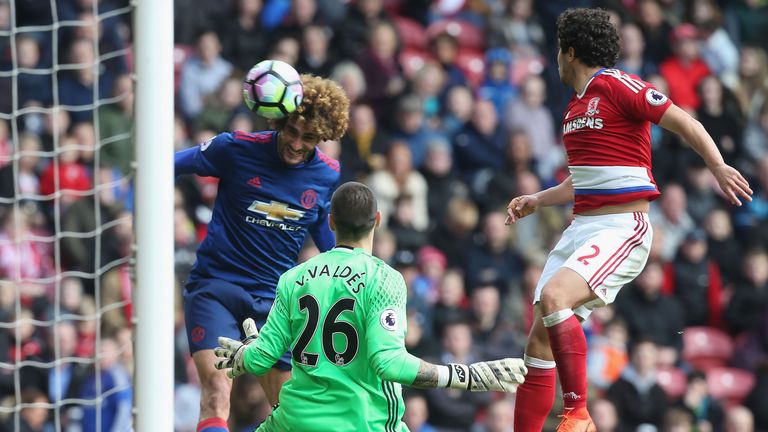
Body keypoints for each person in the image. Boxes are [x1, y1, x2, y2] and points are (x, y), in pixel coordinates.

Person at [504, 8, 753, 432]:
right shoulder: (574, 108)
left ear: (569, 52)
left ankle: (578, 414)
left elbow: (682, 120)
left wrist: (716, 165)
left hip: (622, 226)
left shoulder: (617, 83)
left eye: (559, 51)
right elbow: (582, 180)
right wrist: (538, 200)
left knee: (554, 299)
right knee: (539, 339)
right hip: (581, 227)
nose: (556, 59)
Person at [213, 182, 527, 431]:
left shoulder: (294, 278)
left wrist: (246, 352)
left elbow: (259, 360)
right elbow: (388, 364)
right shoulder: (384, 280)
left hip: (296, 422)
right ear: (377, 219)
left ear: (331, 221)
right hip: (363, 423)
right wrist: (466, 376)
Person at [174, 74, 350, 432]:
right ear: (278, 119)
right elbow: (171, 163)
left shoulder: (327, 174)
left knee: (288, 410)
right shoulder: (236, 148)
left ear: (324, 138)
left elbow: (325, 237)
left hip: (275, 301)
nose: (297, 144)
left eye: (309, 138)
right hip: (216, 288)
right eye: (292, 132)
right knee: (215, 391)